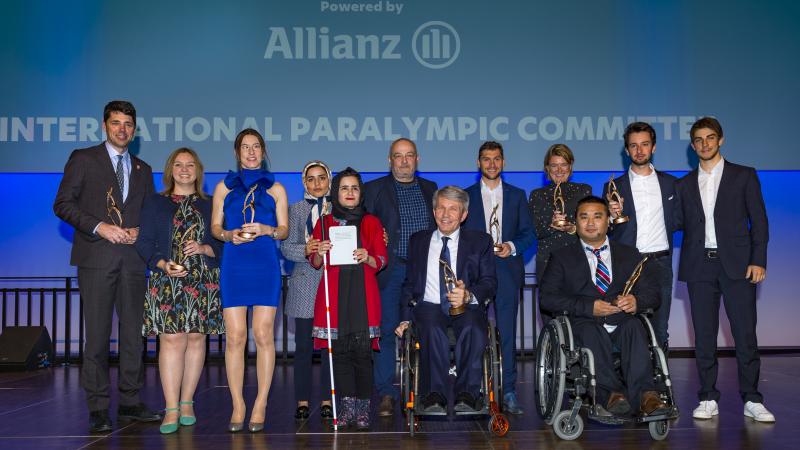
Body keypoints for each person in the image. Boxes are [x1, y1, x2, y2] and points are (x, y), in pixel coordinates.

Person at [53, 100, 160, 433]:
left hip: (132, 262)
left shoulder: (143, 168)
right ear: (105, 126)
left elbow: (150, 214)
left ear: (134, 129)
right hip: (96, 258)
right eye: (116, 123)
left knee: (132, 337)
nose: (122, 129)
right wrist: (100, 226)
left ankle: (130, 401)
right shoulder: (83, 159)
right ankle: (98, 406)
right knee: (97, 337)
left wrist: (143, 230)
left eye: (128, 124)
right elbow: (62, 205)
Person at [674, 117, 774, 422]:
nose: (705, 144)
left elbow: (759, 220)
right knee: (704, 336)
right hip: (699, 265)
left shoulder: (744, 176)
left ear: (721, 140)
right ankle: (707, 397)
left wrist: (758, 259)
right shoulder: (683, 184)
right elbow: (675, 223)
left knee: (745, 335)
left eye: (710, 138)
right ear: (692, 146)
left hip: (739, 266)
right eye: (699, 140)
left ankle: (753, 399)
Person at [539, 196, 670, 417]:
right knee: (592, 331)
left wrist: (637, 301)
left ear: (608, 221)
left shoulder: (630, 255)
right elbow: (547, 298)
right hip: (584, 323)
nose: (590, 223)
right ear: (576, 222)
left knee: (634, 327)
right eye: (584, 217)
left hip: (621, 321)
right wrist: (588, 307)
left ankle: (647, 396)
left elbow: (653, 294)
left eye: (597, 216)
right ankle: (611, 394)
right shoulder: (561, 257)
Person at [135, 148, 224, 434]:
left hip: (203, 279)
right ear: (170, 169)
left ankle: (188, 402)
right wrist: (162, 263)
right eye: (178, 164)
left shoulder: (212, 205)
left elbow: (224, 242)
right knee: (172, 340)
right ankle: (171, 407)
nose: (184, 169)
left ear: (198, 170)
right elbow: (144, 241)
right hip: (166, 278)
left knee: (197, 339)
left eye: (190, 165)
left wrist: (206, 248)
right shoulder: (154, 202)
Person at [210, 128, 289, 432]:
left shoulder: (277, 189)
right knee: (235, 336)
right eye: (246, 147)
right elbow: (215, 227)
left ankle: (261, 402)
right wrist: (228, 235)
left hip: (265, 262)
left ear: (264, 151)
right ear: (237, 152)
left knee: (263, 333)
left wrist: (268, 230)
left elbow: (283, 229)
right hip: (235, 261)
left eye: (256, 147)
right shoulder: (223, 187)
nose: (251, 152)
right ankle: (238, 404)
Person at [395, 186, 497, 414]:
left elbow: (490, 282)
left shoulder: (481, 241)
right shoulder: (418, 241)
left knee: (473, 326)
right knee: (431, 328)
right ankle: (434, 395)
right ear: (434, 211)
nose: (445, 214)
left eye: (453, 209)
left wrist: (469, 294)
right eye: (441, 208)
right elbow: (409, 284)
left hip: (466, 306)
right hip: (429, 306)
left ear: (464, 215)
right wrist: (403, 319)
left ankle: (468, 394)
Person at [364, 138, 438, 417]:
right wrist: (374, 237)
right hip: (389, 269)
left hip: (423, 269)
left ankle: (422, 390)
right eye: (398, 156)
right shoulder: (374, 190)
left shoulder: (431, 189)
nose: (404, 161)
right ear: (389, 160)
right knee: (385, 330)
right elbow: (363, 226)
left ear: (418, 159)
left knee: (427, 327)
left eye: (409, 155)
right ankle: (386, 392)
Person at [309, 167, 387, 430]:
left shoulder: (372, 222)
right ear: (336, 193)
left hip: (363, 297)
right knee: (339, 356)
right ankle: (347, 407)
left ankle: (364, 409)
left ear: (361, 192)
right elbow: (316, 263)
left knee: (363, 356)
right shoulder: (323, 223)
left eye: (354, 188)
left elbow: (381, 260)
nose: (350, 193)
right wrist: (319, 250)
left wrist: (369, 257)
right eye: (344, 188)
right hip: (335, 297)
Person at [463, 141, 535, 414]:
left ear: (503, 162)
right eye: (486, 159)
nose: (491, 164)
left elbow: (528, 233)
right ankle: (477, 390)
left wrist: (512, 247)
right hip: (475, 274)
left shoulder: (518, 195)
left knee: (507, 334)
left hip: (506, 270)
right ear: (478, 163)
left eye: (496, 159)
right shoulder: (466, 196)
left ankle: (509, 392)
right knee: (474, 332)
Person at [604, 122, 677, 352]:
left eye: (644, 144)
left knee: (660, 327)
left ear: (653, 147)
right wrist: (611, 217)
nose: (639, 150)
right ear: (626, 151)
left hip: (660, 263)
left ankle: (657, 384)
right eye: (633, 146)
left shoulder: (672, 184)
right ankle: (625, 383)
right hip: (626, 263)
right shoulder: (613, 186)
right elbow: (605, 233)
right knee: (622, 325)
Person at [280, 160, 333, 420]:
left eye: (321, 178)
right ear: (303, 182)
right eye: (310, 179)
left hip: (332, 285)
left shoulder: (341, 208)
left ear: (329, 180)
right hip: (303, 285)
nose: (316, 183)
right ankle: (301, 401)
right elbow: (285, 248)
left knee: (328, 349)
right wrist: (306, 249)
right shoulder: (296, 210)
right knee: (303, 349)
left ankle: (327, 399)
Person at [528, 144, 592, 283]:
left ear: (570, 166)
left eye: (563, 164)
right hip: (546, 263)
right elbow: (533, 232)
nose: (559, 170)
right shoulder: (537, 195)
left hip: (577, 261)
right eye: (554, 165)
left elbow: (591, 229)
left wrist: (572, 228)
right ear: (547, 168)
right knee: (549, 304)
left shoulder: (583, 191)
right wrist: (551, 225)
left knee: (579, 305)